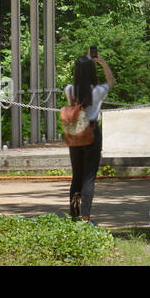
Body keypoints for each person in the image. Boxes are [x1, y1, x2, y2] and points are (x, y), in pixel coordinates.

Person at [66, 49, 114, 223]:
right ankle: (86, 217)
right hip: (92, 132)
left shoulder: (70, 89)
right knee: (89, 177)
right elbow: (111, 81)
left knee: (76, 175)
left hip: (75, 133)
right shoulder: (99, 90)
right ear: (92, 72)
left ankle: (73, 215)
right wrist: (102, 62)